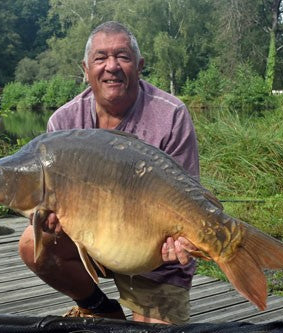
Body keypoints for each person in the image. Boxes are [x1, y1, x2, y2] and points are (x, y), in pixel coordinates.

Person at [18, 21, 199, 325]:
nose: (111, 66)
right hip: (92, 243)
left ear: (140, 65)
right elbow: (43, 201)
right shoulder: (64, 122)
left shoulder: (170, 115)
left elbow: (188, 199)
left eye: (123, 57)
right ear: (85, 68)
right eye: (100, 58)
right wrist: (48, 220)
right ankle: (99, 307)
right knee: (31, 243)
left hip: (154, 254)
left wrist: (184, 238)